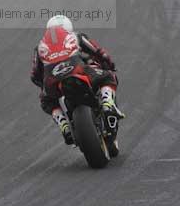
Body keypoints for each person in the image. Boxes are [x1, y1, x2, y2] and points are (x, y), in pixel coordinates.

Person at [31, 15, 124, 146]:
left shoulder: (39, 47)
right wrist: (110, 65)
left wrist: (45, 86)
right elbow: (99, 52)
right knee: (108, 76)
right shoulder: (76, 36)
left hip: (53, 81)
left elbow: (35, 75)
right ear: (69, 28)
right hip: (78, 70)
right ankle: (107, 103)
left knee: (46, 100)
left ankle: (63, 124)